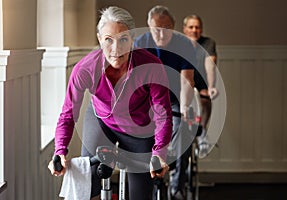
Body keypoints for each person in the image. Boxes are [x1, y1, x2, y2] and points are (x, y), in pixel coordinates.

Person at [47, 6, 173, 200]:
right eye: (108, 40)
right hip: (100, 121)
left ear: (132, 40)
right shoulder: (85, 69)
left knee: (141, 193)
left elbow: (163, 114)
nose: (116, 49)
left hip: (139, 129)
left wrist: (159, 152)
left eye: (123, 39)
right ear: (99, 39)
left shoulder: (152, 66)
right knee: (88, 184)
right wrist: (60, 151)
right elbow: (67, 114)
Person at [135, 5, 198, 200]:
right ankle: (152, 183)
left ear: (174, 26)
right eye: (156, 29)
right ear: (149, 26)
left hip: (175, 101)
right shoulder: (140, 43)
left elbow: (187, 80)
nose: (162, 34)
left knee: (184, 133)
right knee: (142, 135)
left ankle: (177, 185)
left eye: (167, 28)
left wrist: (186, 106)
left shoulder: (184, 44)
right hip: (147, 102)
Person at [183, 15, 218, 142]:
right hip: (182, 81)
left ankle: (202, 132)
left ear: (201, 29)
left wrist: (211, 86)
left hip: (201, 81)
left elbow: (210, 66)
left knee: (205, 99)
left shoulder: (208, 43)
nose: (194, 30)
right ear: (184, 29)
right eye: (191, 27)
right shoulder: (177, 43)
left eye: (197, 27)